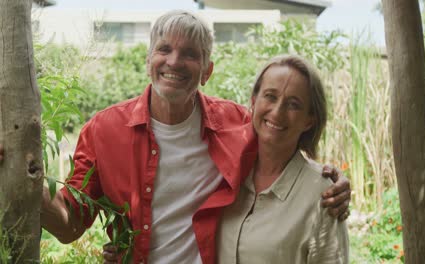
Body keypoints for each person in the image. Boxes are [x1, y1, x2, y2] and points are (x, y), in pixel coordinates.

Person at [37, 10, 350, 264]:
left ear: (207, 70)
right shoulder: (104, 131)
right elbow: (69, 223)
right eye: (164, 49)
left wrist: (329, 181)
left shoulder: (237, 123)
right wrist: (20, 181)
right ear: (148, 61)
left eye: (189, 53)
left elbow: (282, 139)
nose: (174, 61)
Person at [217, 55, 348, 263]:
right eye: (270, 96)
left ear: (309, 120)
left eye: (293, 105)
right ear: (254, 101)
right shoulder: (225, 172)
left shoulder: (323, 195)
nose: (277, 112)